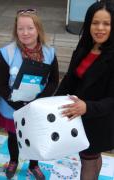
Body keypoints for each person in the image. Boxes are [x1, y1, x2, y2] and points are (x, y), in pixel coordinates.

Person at [0, 9, 59, 180]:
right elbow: (0, 83)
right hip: (12, 107)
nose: (25, 33)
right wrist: (17, 105)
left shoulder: (49, 53)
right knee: (13, 136)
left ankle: (33, 164)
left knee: (36, 137)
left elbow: (53, 81)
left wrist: (37, 102)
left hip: (37, 106)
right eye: (20, 28)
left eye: (30, 28)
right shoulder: (7, 53)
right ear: (16, 30)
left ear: (38, 29)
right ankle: (14, 160)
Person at [55, 1, 114, 179]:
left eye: (106, 23)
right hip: (78, 116)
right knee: (92, 157)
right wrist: (53, 100)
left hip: (98, 120)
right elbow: (70, 78)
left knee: (88, 159)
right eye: (95, 23)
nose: (100, 28)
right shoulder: (85, 46)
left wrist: (86, 107)